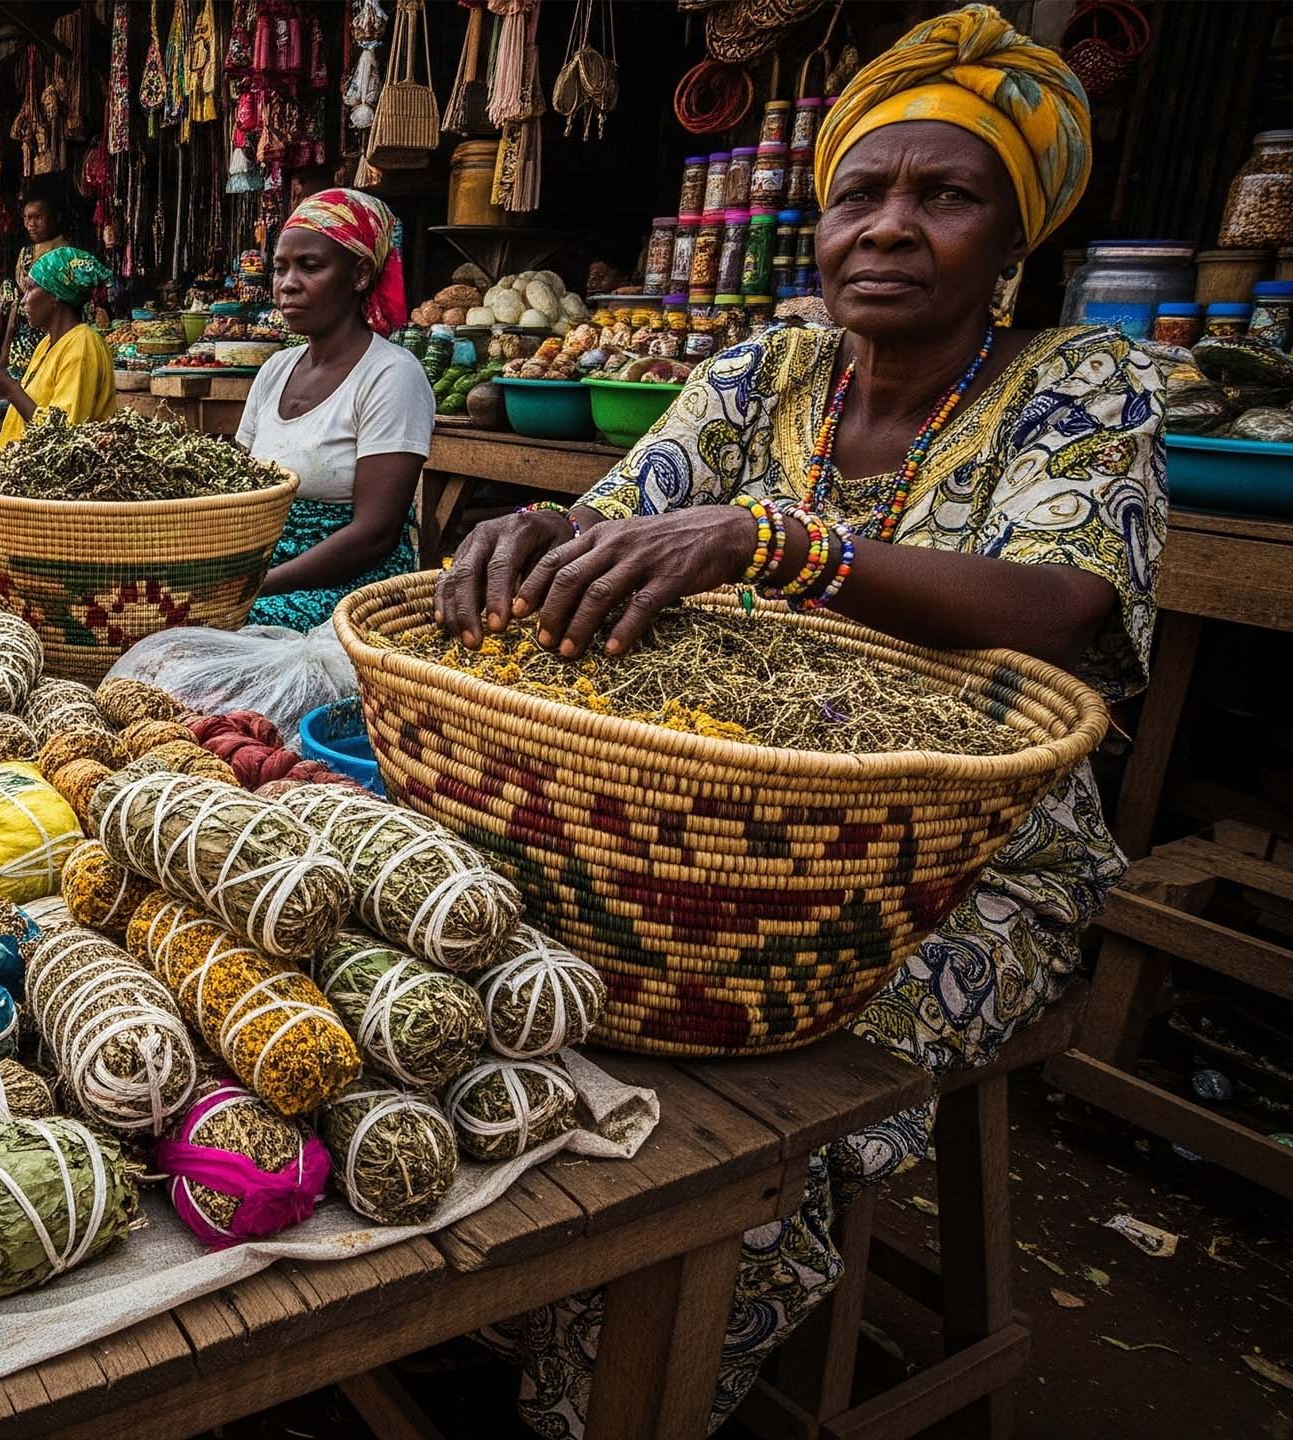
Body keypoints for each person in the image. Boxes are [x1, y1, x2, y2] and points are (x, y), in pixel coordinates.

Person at [436, 12, 1160, 1432]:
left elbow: (1066, 601)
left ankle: (615, 1395)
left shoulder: (1075, 384)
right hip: (699, 820)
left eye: (943, 197)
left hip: (965, 866)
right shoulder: (753, 380)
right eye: (858, 195)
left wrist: (783, 544)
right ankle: (498, 1310)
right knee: (502, 989)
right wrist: (532, 536)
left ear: (1013, 236)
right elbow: (612, 527)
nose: (887, 228)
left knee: (754, 1135)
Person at [232, 188, 432, 631]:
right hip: (266, 568)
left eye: (310, 266)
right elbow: (237, 491)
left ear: (360, 274)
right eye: (280, 268)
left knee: (223, 628)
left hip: (351, 585)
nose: (287, 283)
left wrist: (251, 588)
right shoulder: (274, 370)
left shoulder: (391, 375)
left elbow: (373, 536)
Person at [0, 246, 116, 446]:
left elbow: (63, 435)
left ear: (55, 294)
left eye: (30, 288)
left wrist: (9, 389)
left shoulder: (83, 346)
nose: (24, 301)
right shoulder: (48, 343)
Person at [0, 190, 74, 370]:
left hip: (48, 322)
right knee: (8, 287)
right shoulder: (26, 253)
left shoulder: (64, 251)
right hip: (23, 321)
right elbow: (18, 295)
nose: (31, 224)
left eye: (38, 218)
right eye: (27, 219)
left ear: (53, 218)